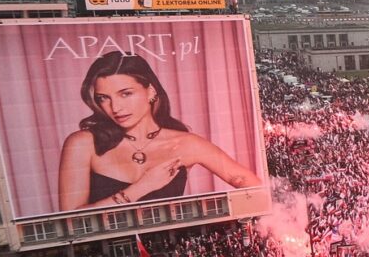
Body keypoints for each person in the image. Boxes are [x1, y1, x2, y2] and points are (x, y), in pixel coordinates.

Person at [56, 51, 261, 212]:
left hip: (173, 251)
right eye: (104, 98)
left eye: (125, 94)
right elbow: (72, 223)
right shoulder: (82, 144)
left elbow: (247, 182)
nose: (115, 107)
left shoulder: (185, 144)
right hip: (102, 256)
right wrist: (141, 188)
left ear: (151, 91)